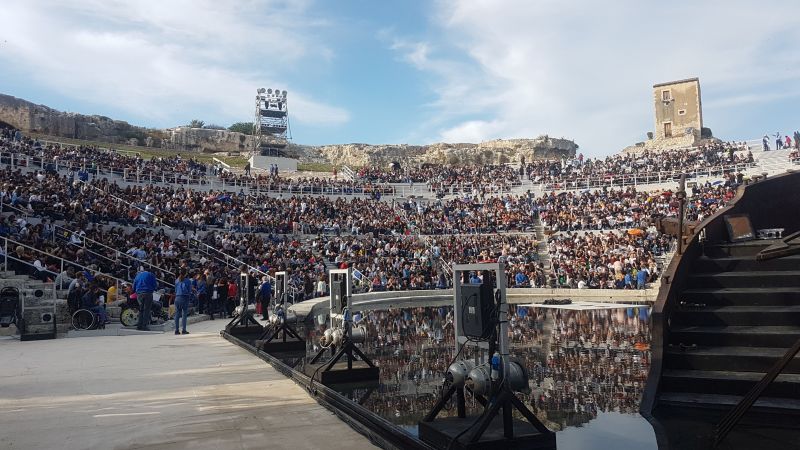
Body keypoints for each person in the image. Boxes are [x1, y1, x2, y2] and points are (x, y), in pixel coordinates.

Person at [133, 267, 158, 331]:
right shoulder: (151, 275)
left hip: (139, 294)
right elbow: (155, 286)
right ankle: (144, 326)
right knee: (146, 310)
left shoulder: (138, 275)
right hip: (147, 293)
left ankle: (139, 325)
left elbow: (134, 286)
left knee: (141, 310)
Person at [174, 269, 192, 335]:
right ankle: (184, 330)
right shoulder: (188, 281)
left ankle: (176, 330)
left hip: (177, 297)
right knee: (184, 315)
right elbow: (189, 291)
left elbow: (175, 290)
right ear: (186, 273)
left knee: (177, 315)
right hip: (185, 297)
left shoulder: (176, 280)